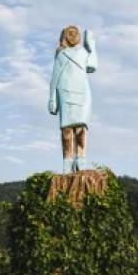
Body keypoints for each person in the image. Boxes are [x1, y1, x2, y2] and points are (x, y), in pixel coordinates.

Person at [48, 25, 98, 174]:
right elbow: (55, 77)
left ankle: (81, 157)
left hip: (82, 92)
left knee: (81, 128)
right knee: (67, 129)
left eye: (74, 33)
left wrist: (91, 46)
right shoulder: (61, 54)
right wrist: (52, 98)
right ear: (64, 36)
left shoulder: (83, 52)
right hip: (64, 91)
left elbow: (93, 66)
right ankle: (67, 160)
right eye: (69, 33)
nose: (72, 35)